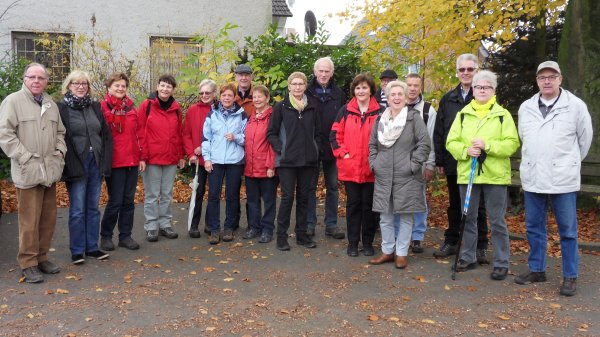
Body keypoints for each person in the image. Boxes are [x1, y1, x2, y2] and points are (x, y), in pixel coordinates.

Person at [515, 61, 593, 296]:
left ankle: (570, 276)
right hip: (533, 176)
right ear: (537, 81)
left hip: (563, 178)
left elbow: (584, 141)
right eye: (542, 77)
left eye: (552, 76)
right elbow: (524, 138)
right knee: (534, 227)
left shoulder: (576, 106)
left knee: (567, 231)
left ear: (560, 79)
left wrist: (567, 161)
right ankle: (537, 269)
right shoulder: (526, 107)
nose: (547, 81)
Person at [446, 70, 519, 280]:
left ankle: (501, 262)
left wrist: (489, 145)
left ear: (494, 90)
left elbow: (512, 144)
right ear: (473, 89)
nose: (482, 90)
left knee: (497, 220)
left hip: (495, 175)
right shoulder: (462, 114)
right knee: (467, 217)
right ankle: (468, 257)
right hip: (468, 173)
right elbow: (451, 142)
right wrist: (465, 151)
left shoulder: (502, 115)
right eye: (478, 87)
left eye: (487, 87)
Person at [0, 63, 66, 283]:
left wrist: (60, 151)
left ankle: (42, 257)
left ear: (47, 81)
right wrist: (25, 157)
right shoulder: (13, 101)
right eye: (32, 77)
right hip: (28, 171)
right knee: (29, 220)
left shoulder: (50, 104)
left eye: (41, 77)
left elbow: (60, 132)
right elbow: (5, 135)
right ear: (25, 78)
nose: (37, 81)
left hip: (49, 170)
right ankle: (28, 263)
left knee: (47, 218)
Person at [368, 80, 430, 269]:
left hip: (407, 176)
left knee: (405, 216)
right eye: (392, 94)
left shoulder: (414, 118)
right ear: (387, 97)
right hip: (384, 174)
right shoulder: (380, 119)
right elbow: (372, 145)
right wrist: (374, 163)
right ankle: (387, 251)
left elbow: (424, 143)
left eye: (399, 94)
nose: (396, 98)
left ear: (405, 97)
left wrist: (413, 164)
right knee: (385, 217)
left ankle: (401, 253)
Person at [433, 53, 489, 263]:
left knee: (478, 205)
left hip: (478, 161)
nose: (466, 73)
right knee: (455, 203)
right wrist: (439, 159)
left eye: (470, 69)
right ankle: (452, 239)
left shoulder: (484, 97)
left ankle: (481, 245)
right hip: (453, 160)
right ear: (457, 72)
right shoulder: (448, 99)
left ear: (476, 71)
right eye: (462, 70)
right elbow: (440, 131)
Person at [58, 70, 112, 264]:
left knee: (93, 208)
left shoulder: (95, 107)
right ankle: (77, 250)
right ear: (69, 86)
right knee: (78, 209)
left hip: (95, 162)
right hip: (76, 164)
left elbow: (105, 135)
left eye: (84, 84)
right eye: (76, 83)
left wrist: (105, 161)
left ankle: (92, 247)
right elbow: (61, 137)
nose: (81, 86)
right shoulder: (62, 109)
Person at [330, 73, 383, 257]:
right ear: (354, 90)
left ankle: (367, 242)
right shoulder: (345, 110)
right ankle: (353, 243)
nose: (361, 91)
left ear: (371, 90)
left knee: (369, 207)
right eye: (358, 88)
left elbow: (386, 138)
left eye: (365, 87)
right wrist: (343, 154)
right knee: (353, 206)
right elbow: (335, 135)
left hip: (372, 169)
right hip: (350, 168)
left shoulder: (381, 112)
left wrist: (378, 160)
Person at [267, 72, 321, 251]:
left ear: (305, 86)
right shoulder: (281, 106)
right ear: (289, 86)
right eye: (294, 84)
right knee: (288, 197)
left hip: (308, 160)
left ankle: (302, 235)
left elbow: (319, 133)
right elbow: (271, 133)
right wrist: (280, 148)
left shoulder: (313, 106)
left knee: (304, 198)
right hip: (287, 161)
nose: (297, 87)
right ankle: (281, 237)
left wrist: (315, 149)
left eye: (301, 84)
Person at [138, 74, 185, 242]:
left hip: (171, 158)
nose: (165, 89)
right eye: (163, 85)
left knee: (166, 194)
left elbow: (179, 133)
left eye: (169, 86)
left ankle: (165, 224)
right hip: (152, 158)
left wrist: (180, 155)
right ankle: (151, 226)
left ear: (173, 89)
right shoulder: (146, 106)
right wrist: (142, 157)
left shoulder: (176, 108)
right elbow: (140, 132)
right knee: (152, 195)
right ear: (157, 87)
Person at [100, 72, 143, 251]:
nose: (120, 88)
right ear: (109, 87)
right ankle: (106, 236)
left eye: (123, 86)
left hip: (132, 160)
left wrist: (142, 157)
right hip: (115, 161)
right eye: (116, 85)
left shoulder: (131, 107)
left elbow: (139, 133)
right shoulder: (102, 107)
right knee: (115, 201)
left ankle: (125, 236)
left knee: (128, 201)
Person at [202, 83, 248, 244]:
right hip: (215, 160)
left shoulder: (242, 115)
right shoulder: (212, 114)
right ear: (219, 97)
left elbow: (247, 138)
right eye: (224, 95)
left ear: (235, 97)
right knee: (214, 195)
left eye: (230, 95)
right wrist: (207, 159)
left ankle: (229, 228)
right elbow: (206, 138)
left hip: (235, 161)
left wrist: (236, 137)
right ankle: (215, 229)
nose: (226, 98)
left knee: (232, 195)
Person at [305, 57, 345, 240]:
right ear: (315, 72)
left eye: (326, 71)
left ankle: (331, 224)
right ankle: (309, 224)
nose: (323, 74)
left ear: (332, 73)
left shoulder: (339, 94)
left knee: (333, 187)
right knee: (309, 187)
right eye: (320, 71)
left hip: (332, 147)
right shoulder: (306, 92)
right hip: (311, 147)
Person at [404, 73, 437, 253]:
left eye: (416, 85)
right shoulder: (397, 105)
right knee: (398, 199)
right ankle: (400, 235)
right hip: (399, 163)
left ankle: (417, 236)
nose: (412, 88)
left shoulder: (427, 111)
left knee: (419, 200)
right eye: (409, 85)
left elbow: (430, 140)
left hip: (420, 163)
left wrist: (430, 164)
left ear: (420, 87)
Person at [242, 85, 277, 244]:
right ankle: (254, 227)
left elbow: (274, 143)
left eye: (259, 96)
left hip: (266, 167)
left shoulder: (273, 117)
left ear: (267, 98)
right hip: (250, 167)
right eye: (254, 97)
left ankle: (267, 229)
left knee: (269, 201)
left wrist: (271, 166)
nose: (256, 99)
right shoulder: (251, 116)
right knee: (252, 200)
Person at [183, 79, 216, 238]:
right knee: (198, 191)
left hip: (215, 159)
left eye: (207, 93)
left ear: (214, 94)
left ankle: (210, 224)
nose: (204, 95)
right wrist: (190, 153)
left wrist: (205, 148)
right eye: (202, 93)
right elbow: (186, 134)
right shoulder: (192, 110)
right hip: (198, 160)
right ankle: (194, 224)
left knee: (213, 193)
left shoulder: (219, 110)